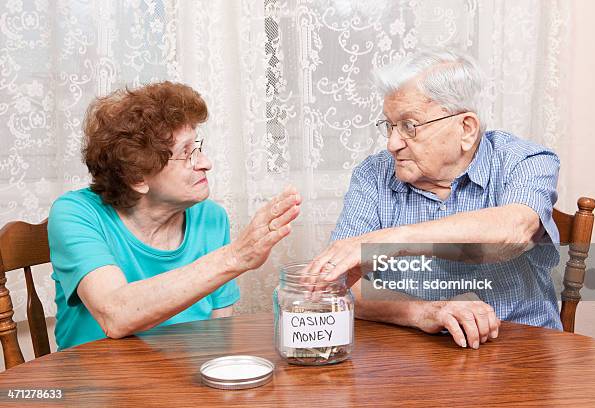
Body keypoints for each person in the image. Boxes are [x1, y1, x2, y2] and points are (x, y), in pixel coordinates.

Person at [304, 49, 562, 349]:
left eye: (409, 126)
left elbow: (512, 231)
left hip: (523, 354)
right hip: (412, 358)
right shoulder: (373, 175)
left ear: (466, 128)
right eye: (389, 125)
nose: (392, 144)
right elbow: (343, 284)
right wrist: (424, 311)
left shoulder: (525, 161)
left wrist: (393, 241)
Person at [48, 82, 301, 350]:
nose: (205, 163)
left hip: (181, 382)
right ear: (136, 176)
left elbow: (217, 337)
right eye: (186, 153)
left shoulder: (210, 218)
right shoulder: (75, 214)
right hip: (96, 386)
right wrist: (237, 256)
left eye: (198, 147)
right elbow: (115, 315)